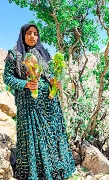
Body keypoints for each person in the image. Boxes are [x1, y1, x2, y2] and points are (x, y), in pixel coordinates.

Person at [4, 23, 75, 179]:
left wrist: (53, 81)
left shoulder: (43, 52)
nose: (32, 36)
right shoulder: (14, 54)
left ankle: (56, 170)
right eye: (29, 33)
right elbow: (7, 78)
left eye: (35, 33)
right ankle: (34, 173)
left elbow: (48, 74)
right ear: (23, 35)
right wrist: (25, 84)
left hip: (49, 103)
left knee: (51, 135)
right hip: (28, 104)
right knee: (33, 137)